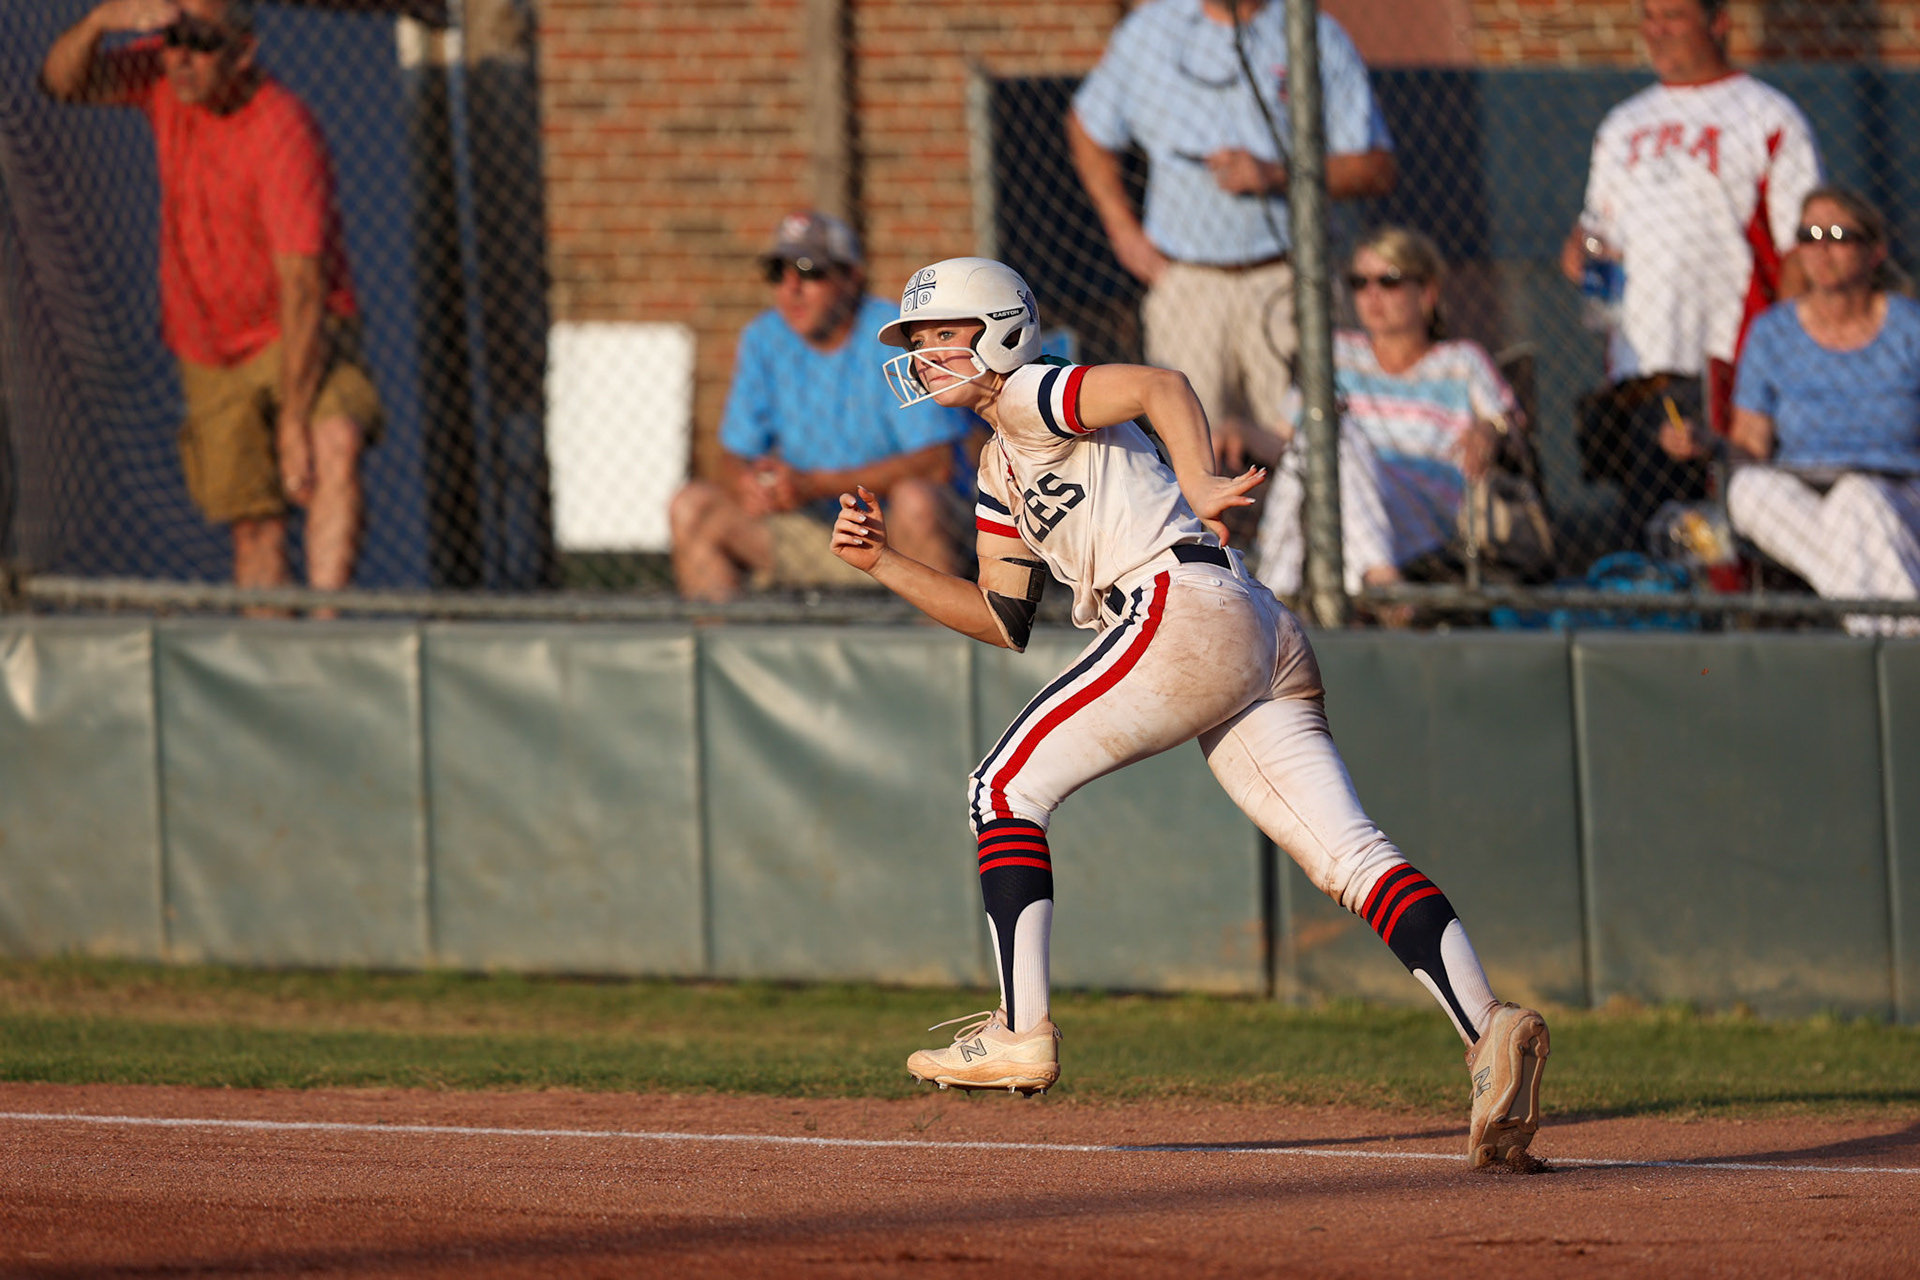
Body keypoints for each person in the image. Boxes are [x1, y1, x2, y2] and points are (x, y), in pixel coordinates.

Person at [832, 257, 1550, 1170]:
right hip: (1248, 623)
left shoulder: (1030, 393)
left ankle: (1019, 1026)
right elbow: (1002, 618)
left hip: (1179, 603)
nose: (925, 356)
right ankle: (1491, 1026)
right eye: (919, 342)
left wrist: (1199, 479)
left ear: (1002, 331)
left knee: (1000, 789)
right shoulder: (997, 458)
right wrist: (886, 564)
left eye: (942, 336)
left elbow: (1159, 384)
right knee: (1351, 855)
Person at [41, 0, 382, 597]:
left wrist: (294, 422)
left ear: (243, 52)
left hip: (292, 330)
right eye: (172, 38)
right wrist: (99, 23)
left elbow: (301, 289)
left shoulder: (281, 129)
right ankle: (271, 671)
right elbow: (62, 85)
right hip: (207, 341)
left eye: (201, 42)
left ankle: (330, 640)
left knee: (334, 443)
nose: (182, 58)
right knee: (254, 526)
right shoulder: (163, 81)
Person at [1067, 0, 1394, 474]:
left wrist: (1279, 172)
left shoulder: (1311, 32)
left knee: (1299, 451)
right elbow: (1087, 126)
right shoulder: (1151, 30)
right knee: (1189, 454)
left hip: (1287, 277)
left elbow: (1375, 167)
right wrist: (1123, 230)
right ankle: (1206, 550)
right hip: (1187, 281)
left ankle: (1302, 548)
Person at [1561, 0, 1820, 551]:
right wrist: (1583, 251)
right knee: (1658, 531)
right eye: (1648, 17)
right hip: (1637, 363)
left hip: (1726, 356)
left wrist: (1784, 357)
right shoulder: (1623, 122)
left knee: (1720, 527)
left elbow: (1798, 251)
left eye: (1674, 16)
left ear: (1718, 22)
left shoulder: (1767, 115)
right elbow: (1591, 232)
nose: (1657, 31)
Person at [669, 211, 978, 603]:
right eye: (778, 272)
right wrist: (748, 485)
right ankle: (724, 659)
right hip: (814, 532)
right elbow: (732, 457)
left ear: (852, 277)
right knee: (691, 507)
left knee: (916, 501)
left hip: (899, 537)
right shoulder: (764, 337)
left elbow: (938, 463)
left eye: (809, 271)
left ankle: (942, 655)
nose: (791, 287)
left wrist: (812, 485)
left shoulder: (894, 333)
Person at [1257, 227, 1536, 601]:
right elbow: (1285, 442)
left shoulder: (1461, 362)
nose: (1371, 295)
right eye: (1359, 282)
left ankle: (1272, 597)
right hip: (1340, 513)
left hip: (1430, 522)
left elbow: (1513, 429)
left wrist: (1488, 430)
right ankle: (1376, 583)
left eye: (1388, 281)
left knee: (1329, 428)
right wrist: (1234, 430)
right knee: (1320, 434)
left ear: (1427, 293)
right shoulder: (1335, 353)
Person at [1725, 188, 1920, 637]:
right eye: (1807, 236)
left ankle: (1888, 641)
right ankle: (1901, 635)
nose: (1820, 248)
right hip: (1804, 483)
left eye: (1836, 235)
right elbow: (1749, 444)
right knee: (1747, 491)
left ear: (1875, 252)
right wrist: (1708, 445)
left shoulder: (1908, 326)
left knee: (1857, 499)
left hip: (1897, 488)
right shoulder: (1772, 332)